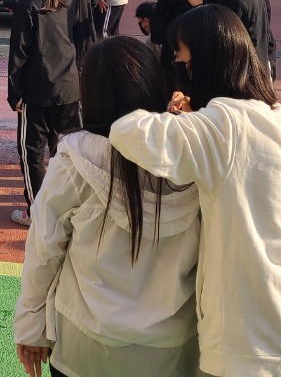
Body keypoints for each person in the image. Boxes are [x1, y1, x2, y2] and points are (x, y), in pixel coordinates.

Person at [109, 5, 281, 377]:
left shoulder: (221, 126)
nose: (179, 68)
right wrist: (198, 116)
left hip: (247, 341)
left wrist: (175, 113)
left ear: (205, 62)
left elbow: (127, 131)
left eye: (181, 59)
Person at [14, 37, 201, 377]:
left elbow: (43, 250)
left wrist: (31, 326)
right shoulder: (193, 158)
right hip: (172, 351)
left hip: (84, 345)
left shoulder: (75, 158)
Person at [7, 0, 81, 227]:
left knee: (32, 152)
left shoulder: (28, 5)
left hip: (38, 88)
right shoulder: (69, 2)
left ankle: (36, 213)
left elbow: (19, 52)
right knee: (68, 150)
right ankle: (70, 206)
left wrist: (14, 93)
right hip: (69, 85)